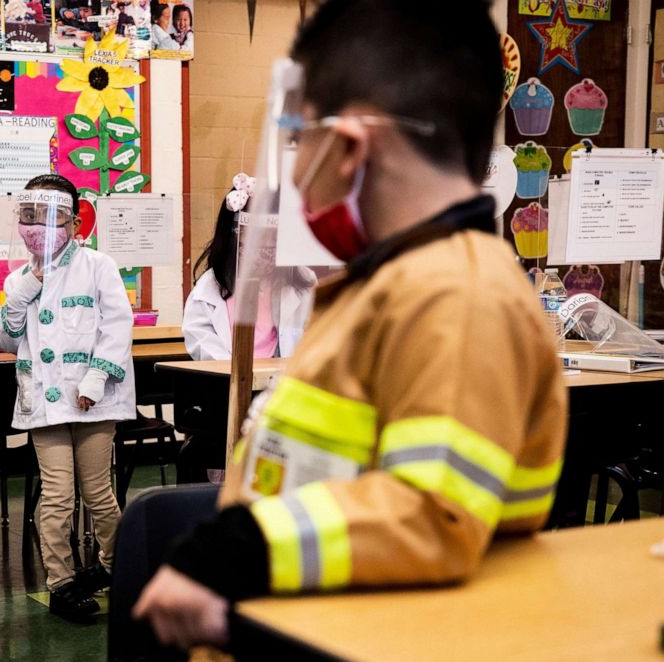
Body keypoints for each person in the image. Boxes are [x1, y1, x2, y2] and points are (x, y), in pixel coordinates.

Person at [133, 0, 568, 651]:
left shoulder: (458, 294)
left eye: (301, 137)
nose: (297, 168)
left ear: (350, 143)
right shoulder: (386, 284)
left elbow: (432, 515)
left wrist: (240, 549)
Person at [0, 174, 136, 623]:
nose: (38, 227)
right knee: (56, 497)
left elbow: (117, 327)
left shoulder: (99, 266)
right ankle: (61, 582)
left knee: (98, 493)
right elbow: (5, 338)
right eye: (29, 216)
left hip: (95, 401)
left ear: (74, 223)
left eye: (51, 218)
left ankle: (117, 568)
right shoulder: (18, 278)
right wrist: (28, 286)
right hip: (46, 403)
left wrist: (95, 381)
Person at [183, 173, 315, 361]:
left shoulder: (300, 281)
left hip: (283, 382)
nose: (264, 245)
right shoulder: (210, 287)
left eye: (273, 236)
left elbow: (315, 335)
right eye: (252, 235)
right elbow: (199, 335)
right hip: (229, 381)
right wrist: (233, 372)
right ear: (232, 236)